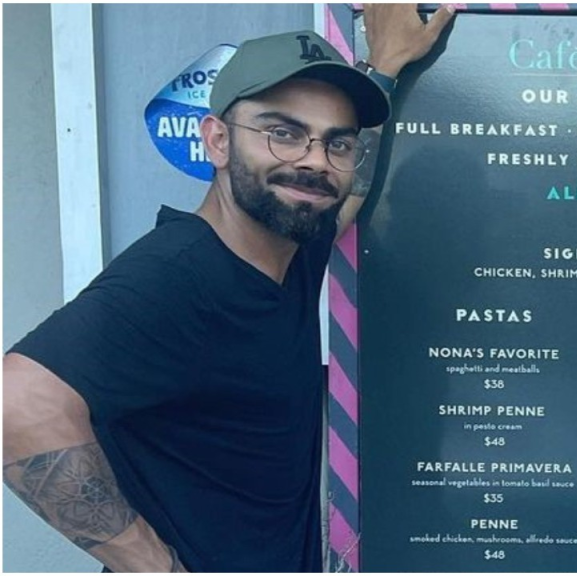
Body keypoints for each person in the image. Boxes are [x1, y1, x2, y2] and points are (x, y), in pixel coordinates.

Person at [3, 5, 454, 572]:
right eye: (282, 134)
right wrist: (153, 567)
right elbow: (16, 403)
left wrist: (384, 64)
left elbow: (349, 194)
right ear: (217, 141)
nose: (314, 161)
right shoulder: (179, 274)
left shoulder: (291, 247)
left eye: (336, 143)